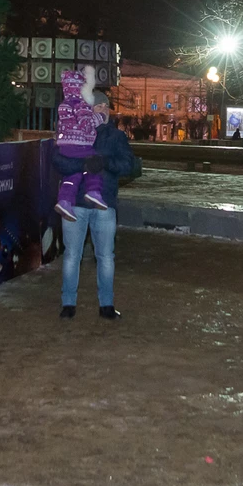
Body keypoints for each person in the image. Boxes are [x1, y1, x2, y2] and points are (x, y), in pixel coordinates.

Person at [60, 88, 140, 321]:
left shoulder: (115, 136)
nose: (103, 109)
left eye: (106, 106)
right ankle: (68, 303)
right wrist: (82, 164)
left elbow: (129, 165)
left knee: (105, 257)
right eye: (98, 105)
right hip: (75, 204)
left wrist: (104, 162)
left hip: (104, 204)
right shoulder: (72, 132)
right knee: (71, 256)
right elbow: (58, 161)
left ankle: (106, 304)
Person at [52, 68, 108, 221]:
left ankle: (64, 201)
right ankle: (94, 191)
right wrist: (100, 117)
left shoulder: (64, 104)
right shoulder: (80, 104)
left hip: (65, 146)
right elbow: (86, 124)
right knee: (94, 163)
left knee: (73, 174)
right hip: (80, 143)